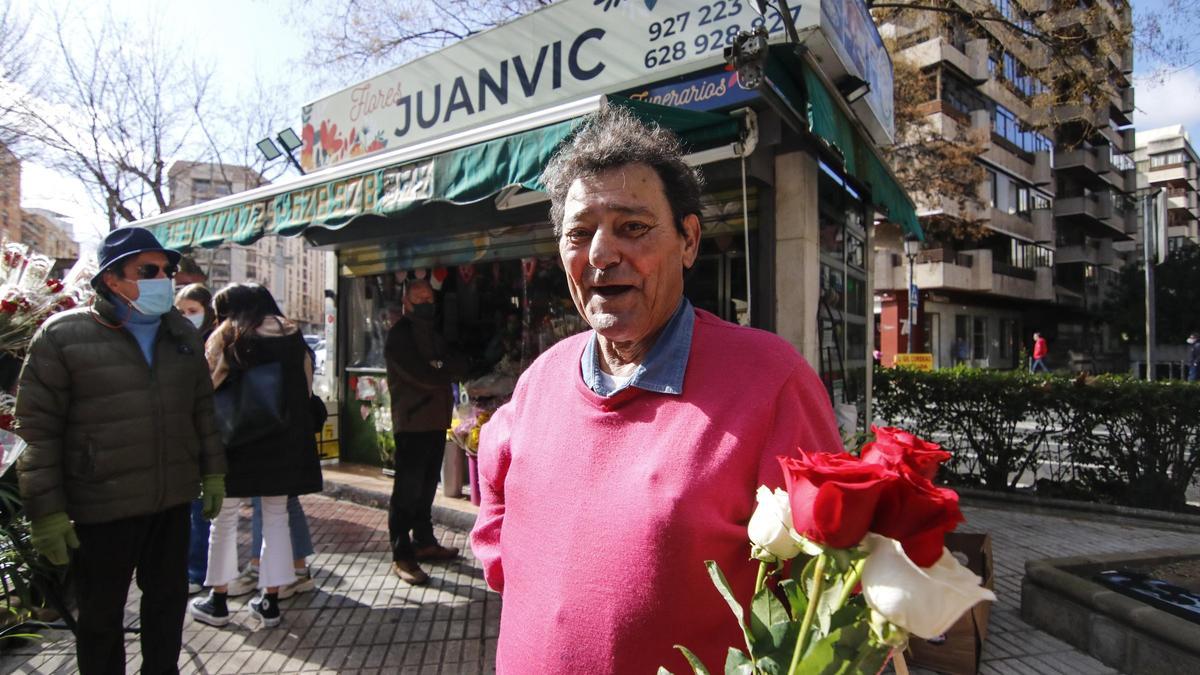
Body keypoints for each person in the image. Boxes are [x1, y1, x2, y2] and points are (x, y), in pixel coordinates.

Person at [468, 107, 842, 673]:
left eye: (632, 227)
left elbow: (825, 591)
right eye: (579, 232)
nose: (601, 254)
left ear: (688, 241)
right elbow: (492, 491)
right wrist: (521, 581)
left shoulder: (771, 382)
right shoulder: (540, 379)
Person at [15, 227, 225, 674]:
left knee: (167, 606)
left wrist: (212, 473)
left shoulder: (181, 336)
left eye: (166, 270)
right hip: (101, 504)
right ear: (112, 279)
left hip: (169, 498)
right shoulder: (62, 336)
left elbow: (202, 413)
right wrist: (46, 512)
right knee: (101, 616)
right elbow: (37, 432)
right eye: (147, 270)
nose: (163, 279)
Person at [189, 283, 323, 628]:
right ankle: (270, 601)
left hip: (235, 443)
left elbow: (205, 386)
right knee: (276, 519)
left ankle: (217, 600)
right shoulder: (294, 336)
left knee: (224, 520)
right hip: (283, 442)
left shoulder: (228, 334)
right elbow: (306, 390)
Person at [384, 278, 468, 585]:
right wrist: (441, 369)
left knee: (427, 486)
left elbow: (455, 364)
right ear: (406, 303)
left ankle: (424, 540)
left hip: (436, 422)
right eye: (418, 298)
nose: (425, 303)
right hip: (412, 424)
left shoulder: (433, 331)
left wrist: (441, 366)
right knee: (406, 491)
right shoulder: (400, 336)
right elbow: (423, 375)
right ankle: (401, 553)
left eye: (428, 297)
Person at [176, 283, 219, 596]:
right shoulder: (178, 340)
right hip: (183, 434)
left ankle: (198, 572)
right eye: (181, 312)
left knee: (201, 510)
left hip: (207, 435)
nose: (186, 317)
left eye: (193, 311)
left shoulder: (213, 342)